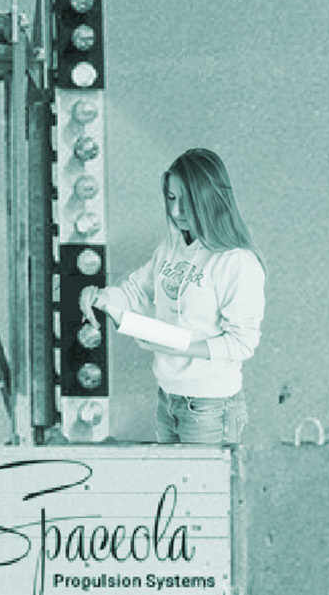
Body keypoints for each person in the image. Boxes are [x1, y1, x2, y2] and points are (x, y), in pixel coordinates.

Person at [80, 148, 265, 444]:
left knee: (202, 490)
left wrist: (178, 346)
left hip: (210, 405)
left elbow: (242, 342)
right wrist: (100, 297)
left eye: (187, 200)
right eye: (171, 198)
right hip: (168, 398)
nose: (177, 211)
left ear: (210, 199)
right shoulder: (172, 247)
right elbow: (137, 290)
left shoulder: (237, 262)